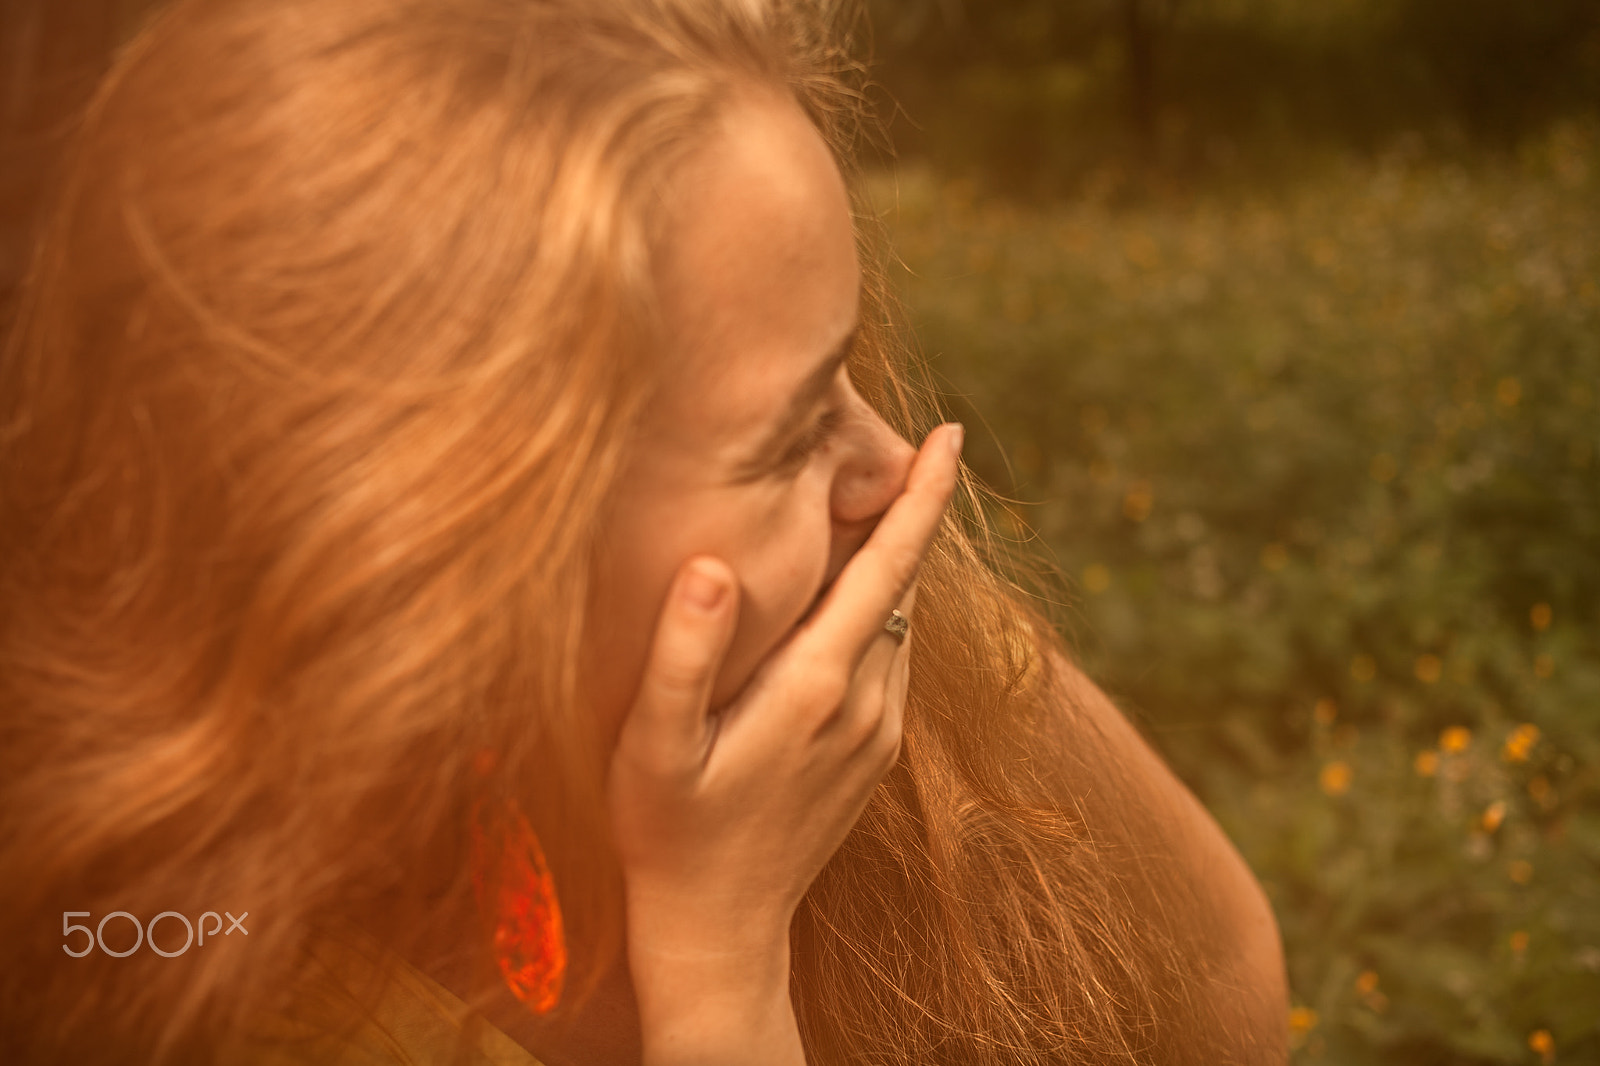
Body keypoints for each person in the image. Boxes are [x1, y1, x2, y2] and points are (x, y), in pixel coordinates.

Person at [0, 0, 1288, 1063]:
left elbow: (1224, 992)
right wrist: (722, 981)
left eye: (856, 365)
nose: (898, 468)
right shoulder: (196, 984)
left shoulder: (814, 674)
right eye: (790, 432)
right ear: (444, 552)